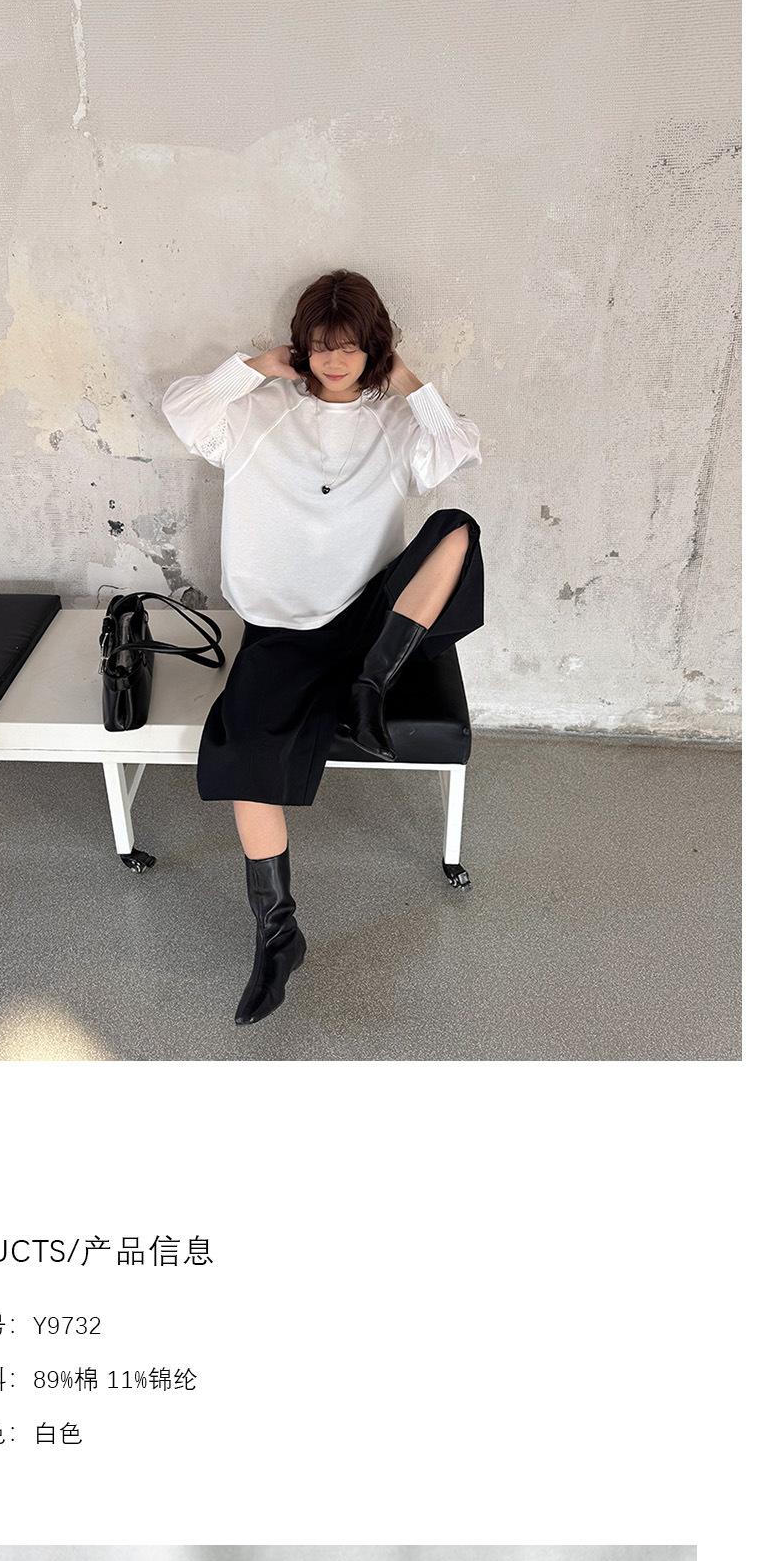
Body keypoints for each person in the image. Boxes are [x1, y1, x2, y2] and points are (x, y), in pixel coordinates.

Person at [162, 268, 484, 1028]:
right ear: (301, 346)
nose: (335, 361)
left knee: (457, 530)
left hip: (372, 616)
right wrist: (254, 368)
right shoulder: (256, 412)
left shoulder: (395, 421)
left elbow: (460, 447)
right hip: (281, 624)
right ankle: (278, 934)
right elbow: (182, 408)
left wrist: (406, 381)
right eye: (320, 345)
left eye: (351, 346)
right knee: (246, 745)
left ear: (373, 348)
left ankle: (371, 684)